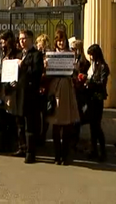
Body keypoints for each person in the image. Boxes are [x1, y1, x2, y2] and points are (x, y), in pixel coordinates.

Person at [47, 30, 80, 165]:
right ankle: (57, 155)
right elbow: (47, 75)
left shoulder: (71, 55)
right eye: (58, 40)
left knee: (67, 124)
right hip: (55, 88)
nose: (61, 42)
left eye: (63, 40)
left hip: (66, 88)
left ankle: (65, 155)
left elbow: (75, 75)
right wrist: (46, 66)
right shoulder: (51, 55)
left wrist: (75, 68)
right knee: (55, 123)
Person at [12, 30, 44, 164]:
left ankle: (31, 153)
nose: (22, 41)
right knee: (19, 123)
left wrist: (23, 65)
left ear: (31, 39)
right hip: (19, 94)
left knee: (29, 125)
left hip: (30, 95)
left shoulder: (36, 55)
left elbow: (36, 73)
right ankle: (22, 147)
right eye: (20, 39)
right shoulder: (19, 54)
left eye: (24, 38)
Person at [86, 44, 110, 162]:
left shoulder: (103, 66)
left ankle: (103, 151)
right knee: (92, 126)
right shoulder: (92, 66)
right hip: (90, 98)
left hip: (98, 98)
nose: (90, 57)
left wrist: (91, 83)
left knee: (97, 126)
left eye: (91, 55)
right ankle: (93, 150)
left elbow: (102, 82)